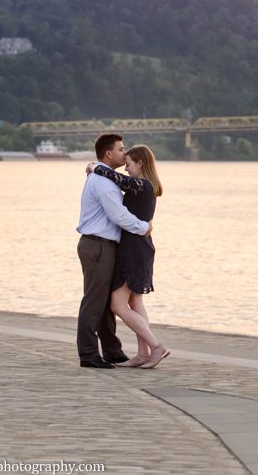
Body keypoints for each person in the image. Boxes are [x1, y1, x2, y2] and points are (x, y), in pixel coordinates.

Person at [88, 144, 169, 369]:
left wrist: (94, 166)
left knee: (117, 304)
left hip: (134, 249)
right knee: (135, 301)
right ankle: (143, 353)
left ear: (140, 163)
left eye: (129, 164)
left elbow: (113, 176)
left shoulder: (141, 185)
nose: (126, 169)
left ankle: (155, 347)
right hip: (140, 247)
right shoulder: (147, 186)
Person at [76, 133, 152, 369]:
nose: (124, 152)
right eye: (121, 149)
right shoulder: (103, 182)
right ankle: (88, 354)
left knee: (105, 301)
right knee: (94, 301)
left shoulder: (104, 177)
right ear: (109, 153)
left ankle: (111, 351)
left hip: (103, 246)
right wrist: (144, 228)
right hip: (98, 245)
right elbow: (118, 216)